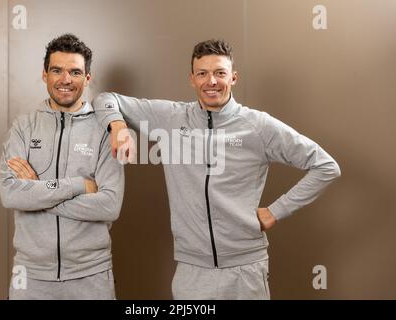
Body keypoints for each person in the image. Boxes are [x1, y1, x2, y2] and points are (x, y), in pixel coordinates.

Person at [93, 39, 341, 299]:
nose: (211, 81)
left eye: (219, 73)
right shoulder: (170, 118)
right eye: (203, 73)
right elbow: (105, 99)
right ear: (192, 79)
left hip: (245, 270)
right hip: (192, 272)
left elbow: (325, 166)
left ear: (233, 78)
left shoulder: (258, 126)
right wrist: (118, 127)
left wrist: (276, 211)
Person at [0, 34, 124, 299]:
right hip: (30, 277)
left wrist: (34, 193)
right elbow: (10, 194)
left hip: (92, 276)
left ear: (87, 78)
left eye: (75, 72)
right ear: (45, 74)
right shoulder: (23, 128)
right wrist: (79, 185)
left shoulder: (104, 131)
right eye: (57, 70)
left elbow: (109, 205)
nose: (65, 80)